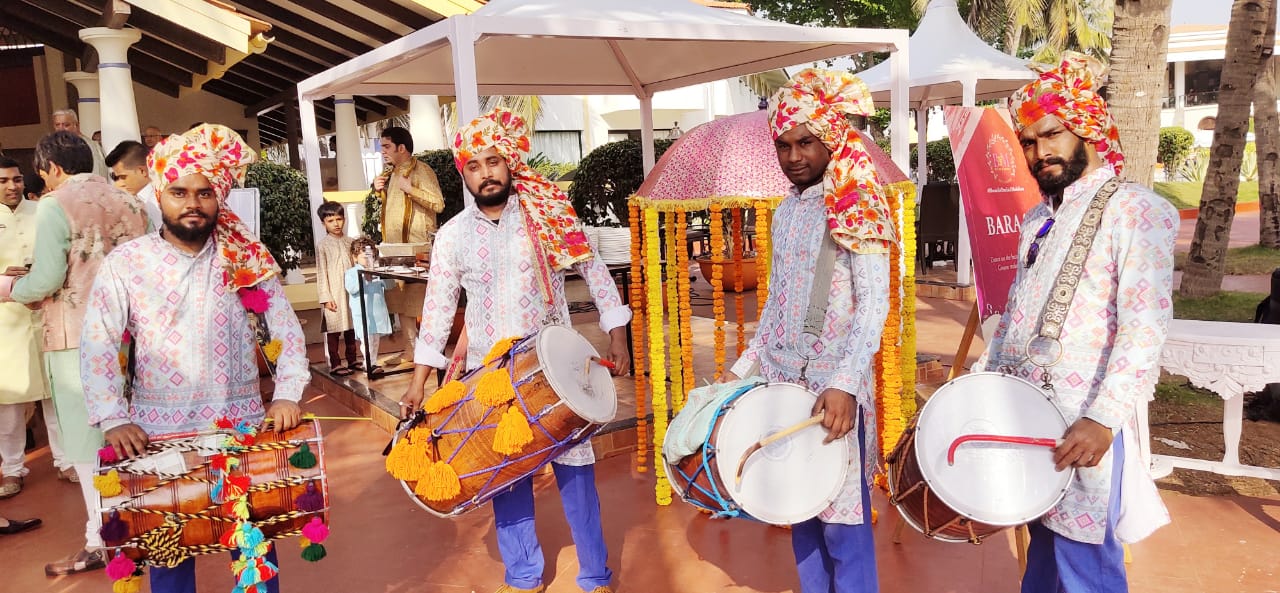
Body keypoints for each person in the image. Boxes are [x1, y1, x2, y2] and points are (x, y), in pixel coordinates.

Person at [399, 108, 631, 593]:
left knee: (577, 474)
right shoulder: (452, 235)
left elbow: (593, 271)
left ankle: (595, 575)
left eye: (493, 161)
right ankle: (523, 577)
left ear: (509, 163)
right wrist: (419, 382)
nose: (485, 173)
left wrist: (617, 333)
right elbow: (437, 310)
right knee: (504, 475)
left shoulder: (548, 216)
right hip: (492, 380)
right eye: (474, 166)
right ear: (463, 174)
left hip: (556, 373)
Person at [975, 53, 1177, 593]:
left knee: (1084, 565)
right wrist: (980, 390)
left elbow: (1145, 328)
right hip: (1026, 415)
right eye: (1028, 142)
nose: (1039, 152)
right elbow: (1016, 316)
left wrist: (1103, 419)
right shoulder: (1037, 219)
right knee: (1042, 555)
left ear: (1087, 130)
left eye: (1052, 135)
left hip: (1083, 424)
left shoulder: (1136, 209)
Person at [80, 124, 309, 593]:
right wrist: (112, 417)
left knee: (254, 556)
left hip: (240, 431)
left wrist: (287, 393)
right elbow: (99, 340)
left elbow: (285, 329)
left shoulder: (244, 258)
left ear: (218, 197)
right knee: (169, 560)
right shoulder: (127, 263)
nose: (193, 203)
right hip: (159, 439)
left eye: (204, 193)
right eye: (179, 192)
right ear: (159, 194)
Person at [721, 69, 895, 593]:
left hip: (833, 391)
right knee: (799, 509)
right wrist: (740, 372)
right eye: (784, 145)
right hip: (782, 386)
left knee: (842, 521)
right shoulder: (784, 213)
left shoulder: (858, 201)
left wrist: (844, 383)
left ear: (831, 139)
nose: (794, 156)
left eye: (805, 143)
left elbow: (875, 304)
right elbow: (775, 304)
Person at [0, 131, 149, 576]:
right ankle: (138, 526)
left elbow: (48, 278)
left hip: (77, 335)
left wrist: (12, 288)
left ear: (52, 167)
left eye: (42, 173)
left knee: (88, 443)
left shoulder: (54, 203)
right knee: (130, 435)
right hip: (132, 333)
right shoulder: (133, 202)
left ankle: (101, 539)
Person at [0, 157, 70, 499]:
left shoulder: (44, 211)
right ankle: (13, 468)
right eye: (3, 181)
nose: (12, 186)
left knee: (55, 393)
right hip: (6, 322)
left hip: (46, 313)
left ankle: (66, 459)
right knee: (9, 403)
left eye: (16, 179)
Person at [374, 126, 445, 364]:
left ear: (401, 148)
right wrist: (378, 190)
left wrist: (410, 189)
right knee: (401, 302)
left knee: (420, 303)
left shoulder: (421, 170)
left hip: (418, 250)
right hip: (394, 251)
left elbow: (438, 204)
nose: (383, 151)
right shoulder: (391, 173)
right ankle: (410, 349)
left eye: (387, 146)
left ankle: (430, 352)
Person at [315, 201, 359, 375]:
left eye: (339, 219)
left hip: (351, 291)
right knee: (333, 329)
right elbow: (321, 273)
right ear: (323, 223)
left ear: (344, 219)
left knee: (351, 326)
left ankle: (352, 359)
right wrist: (326, 297)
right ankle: (335, 363)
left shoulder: (351, 242)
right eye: (330, 221)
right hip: (333, 293)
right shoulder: (323, 245)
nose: (336, 224)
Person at [345, 237, 392, 374]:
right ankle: (368, 364)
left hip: (377, 312)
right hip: (363, 313)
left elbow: (390, 285)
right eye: (364, 256)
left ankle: (373, 362)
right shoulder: (351, 273)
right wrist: (364, 278)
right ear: (355, 257)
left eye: (370, 256)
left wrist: (385, 273)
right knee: (366, 340)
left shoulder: (376, 271)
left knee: (375, 340)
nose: (367, 259)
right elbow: (352, 288)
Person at [105, 140, 162, 231]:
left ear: (142, 171)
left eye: (122, 177)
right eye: (115, 178)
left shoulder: (157, 202)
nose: (119, 183)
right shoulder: (130, 199)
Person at [51, 109, 109, 178]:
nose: (61, 129)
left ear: (76, 125)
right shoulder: (57, 146)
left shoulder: (89, 146)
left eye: (66, 125)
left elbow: (97, 175)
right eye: (57, 125)